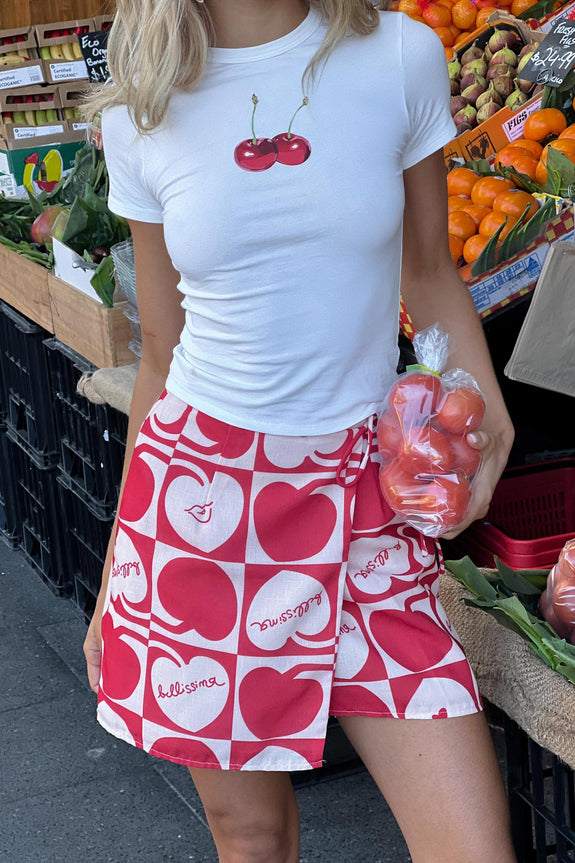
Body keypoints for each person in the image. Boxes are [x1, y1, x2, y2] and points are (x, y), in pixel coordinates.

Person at [83, 2, 517, 861]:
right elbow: (161, 352)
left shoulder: (399, 56)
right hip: (204, 502)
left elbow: (429, 270)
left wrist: (491, 413)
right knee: (251, 836)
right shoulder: (143, 102)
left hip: (368, 499)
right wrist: (115, 573)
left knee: (471, 847)